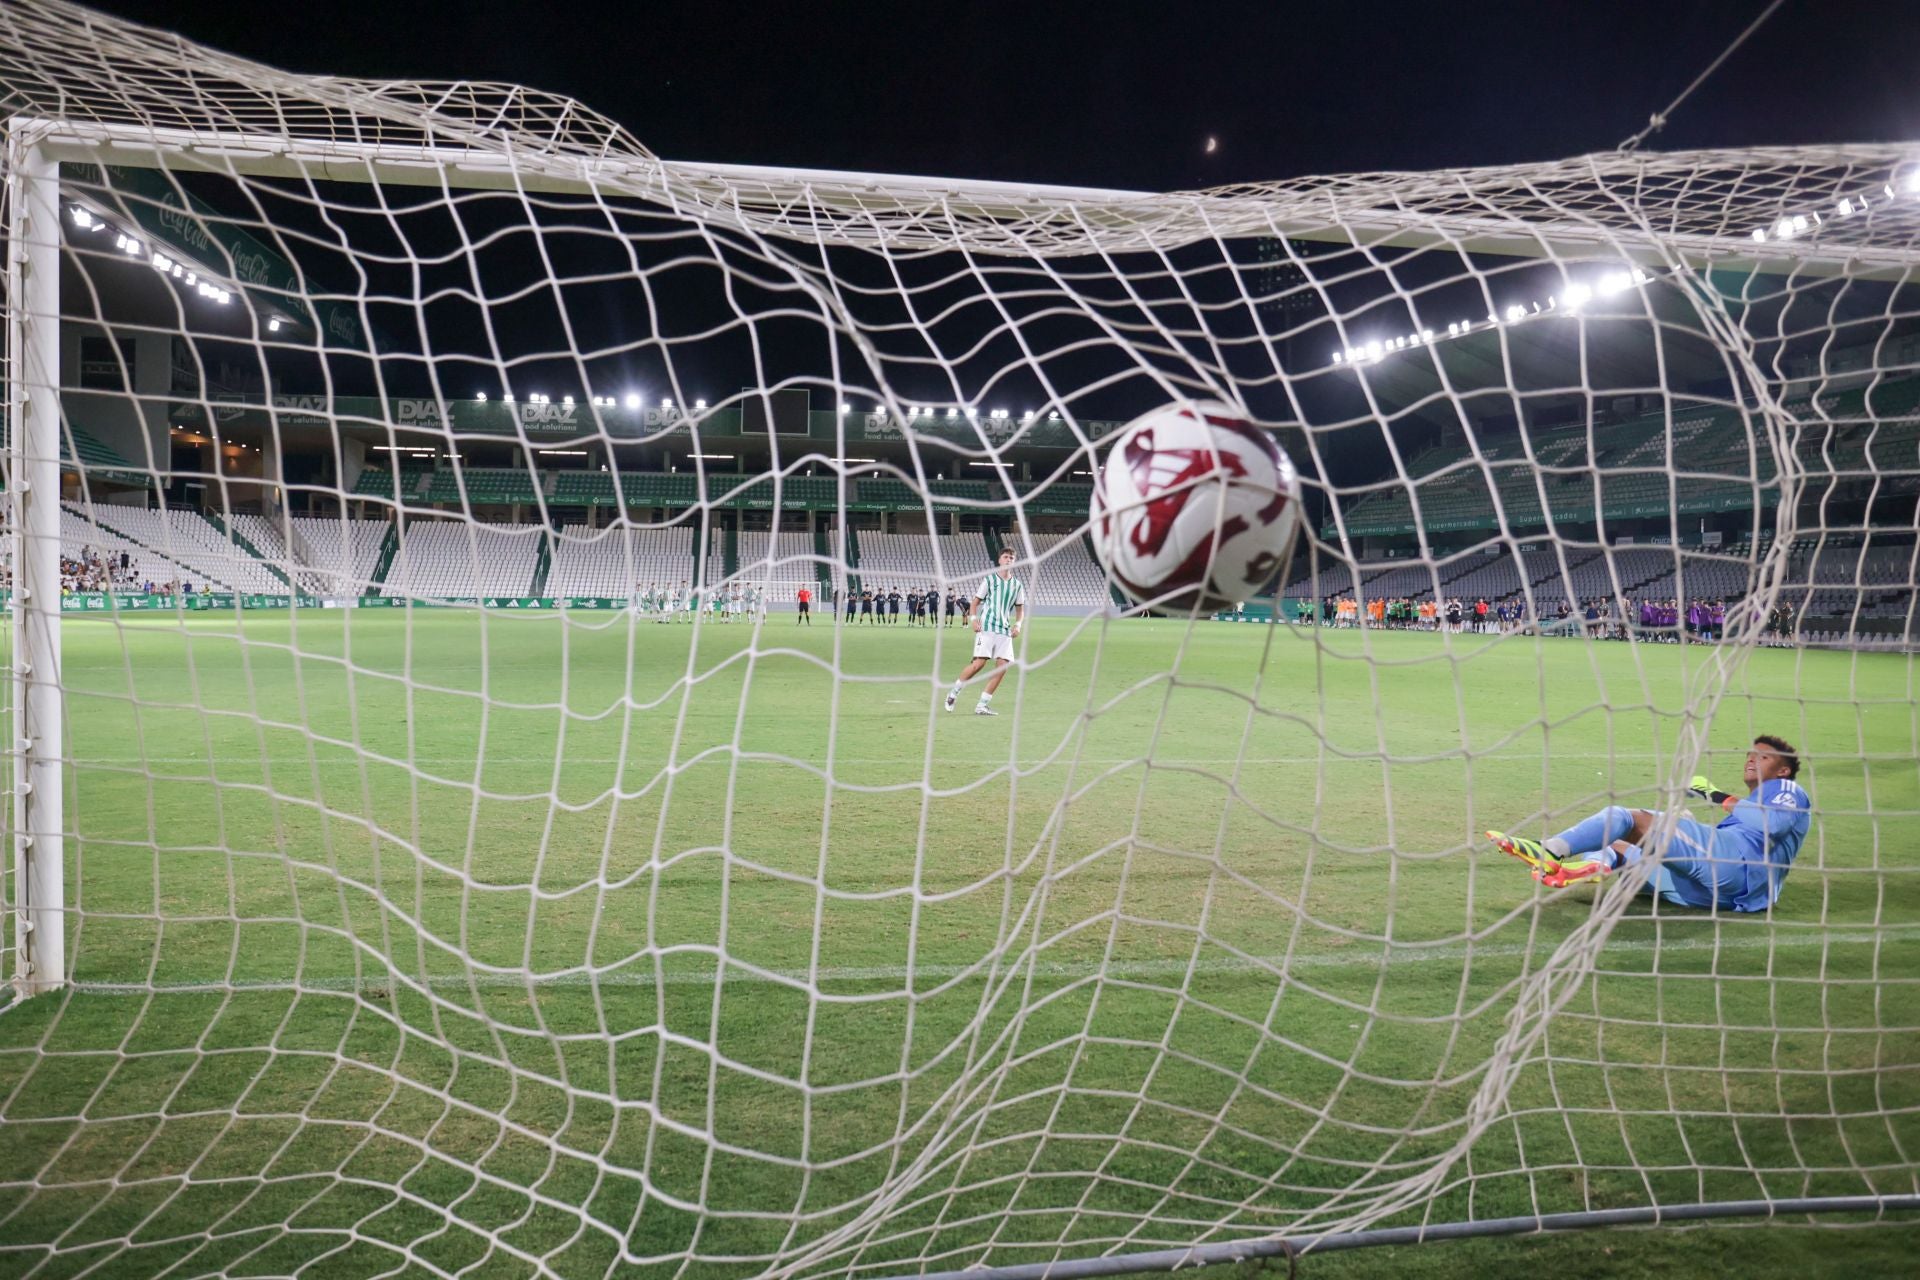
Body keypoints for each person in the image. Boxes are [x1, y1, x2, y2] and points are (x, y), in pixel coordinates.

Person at [1486, 735, 1811, 912]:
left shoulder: (1788, 790)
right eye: (1750, 754)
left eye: (1763, 757)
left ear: (1783, 771)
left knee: (1629, 819)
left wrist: (1715, 795)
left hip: (1734, 868)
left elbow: (1772, 825)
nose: (1752, 759)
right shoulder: (1752, 805)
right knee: (1615, 844)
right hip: (1717, 897)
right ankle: (1594, 865)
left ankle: (1550, 849)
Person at [945, 547, 1026, 716]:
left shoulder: (1017, 585)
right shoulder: (989, 580)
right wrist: (974, 620)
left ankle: (982, 705)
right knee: (978, 664)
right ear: (999, 560)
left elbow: (1020, 609)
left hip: (1004, 631)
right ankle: (953, 693)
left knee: (1002, 667)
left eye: (1011, 557)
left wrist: (1018, 625)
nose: (1008, 560)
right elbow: (974, 603)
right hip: (987, 627)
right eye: (1005, 557)